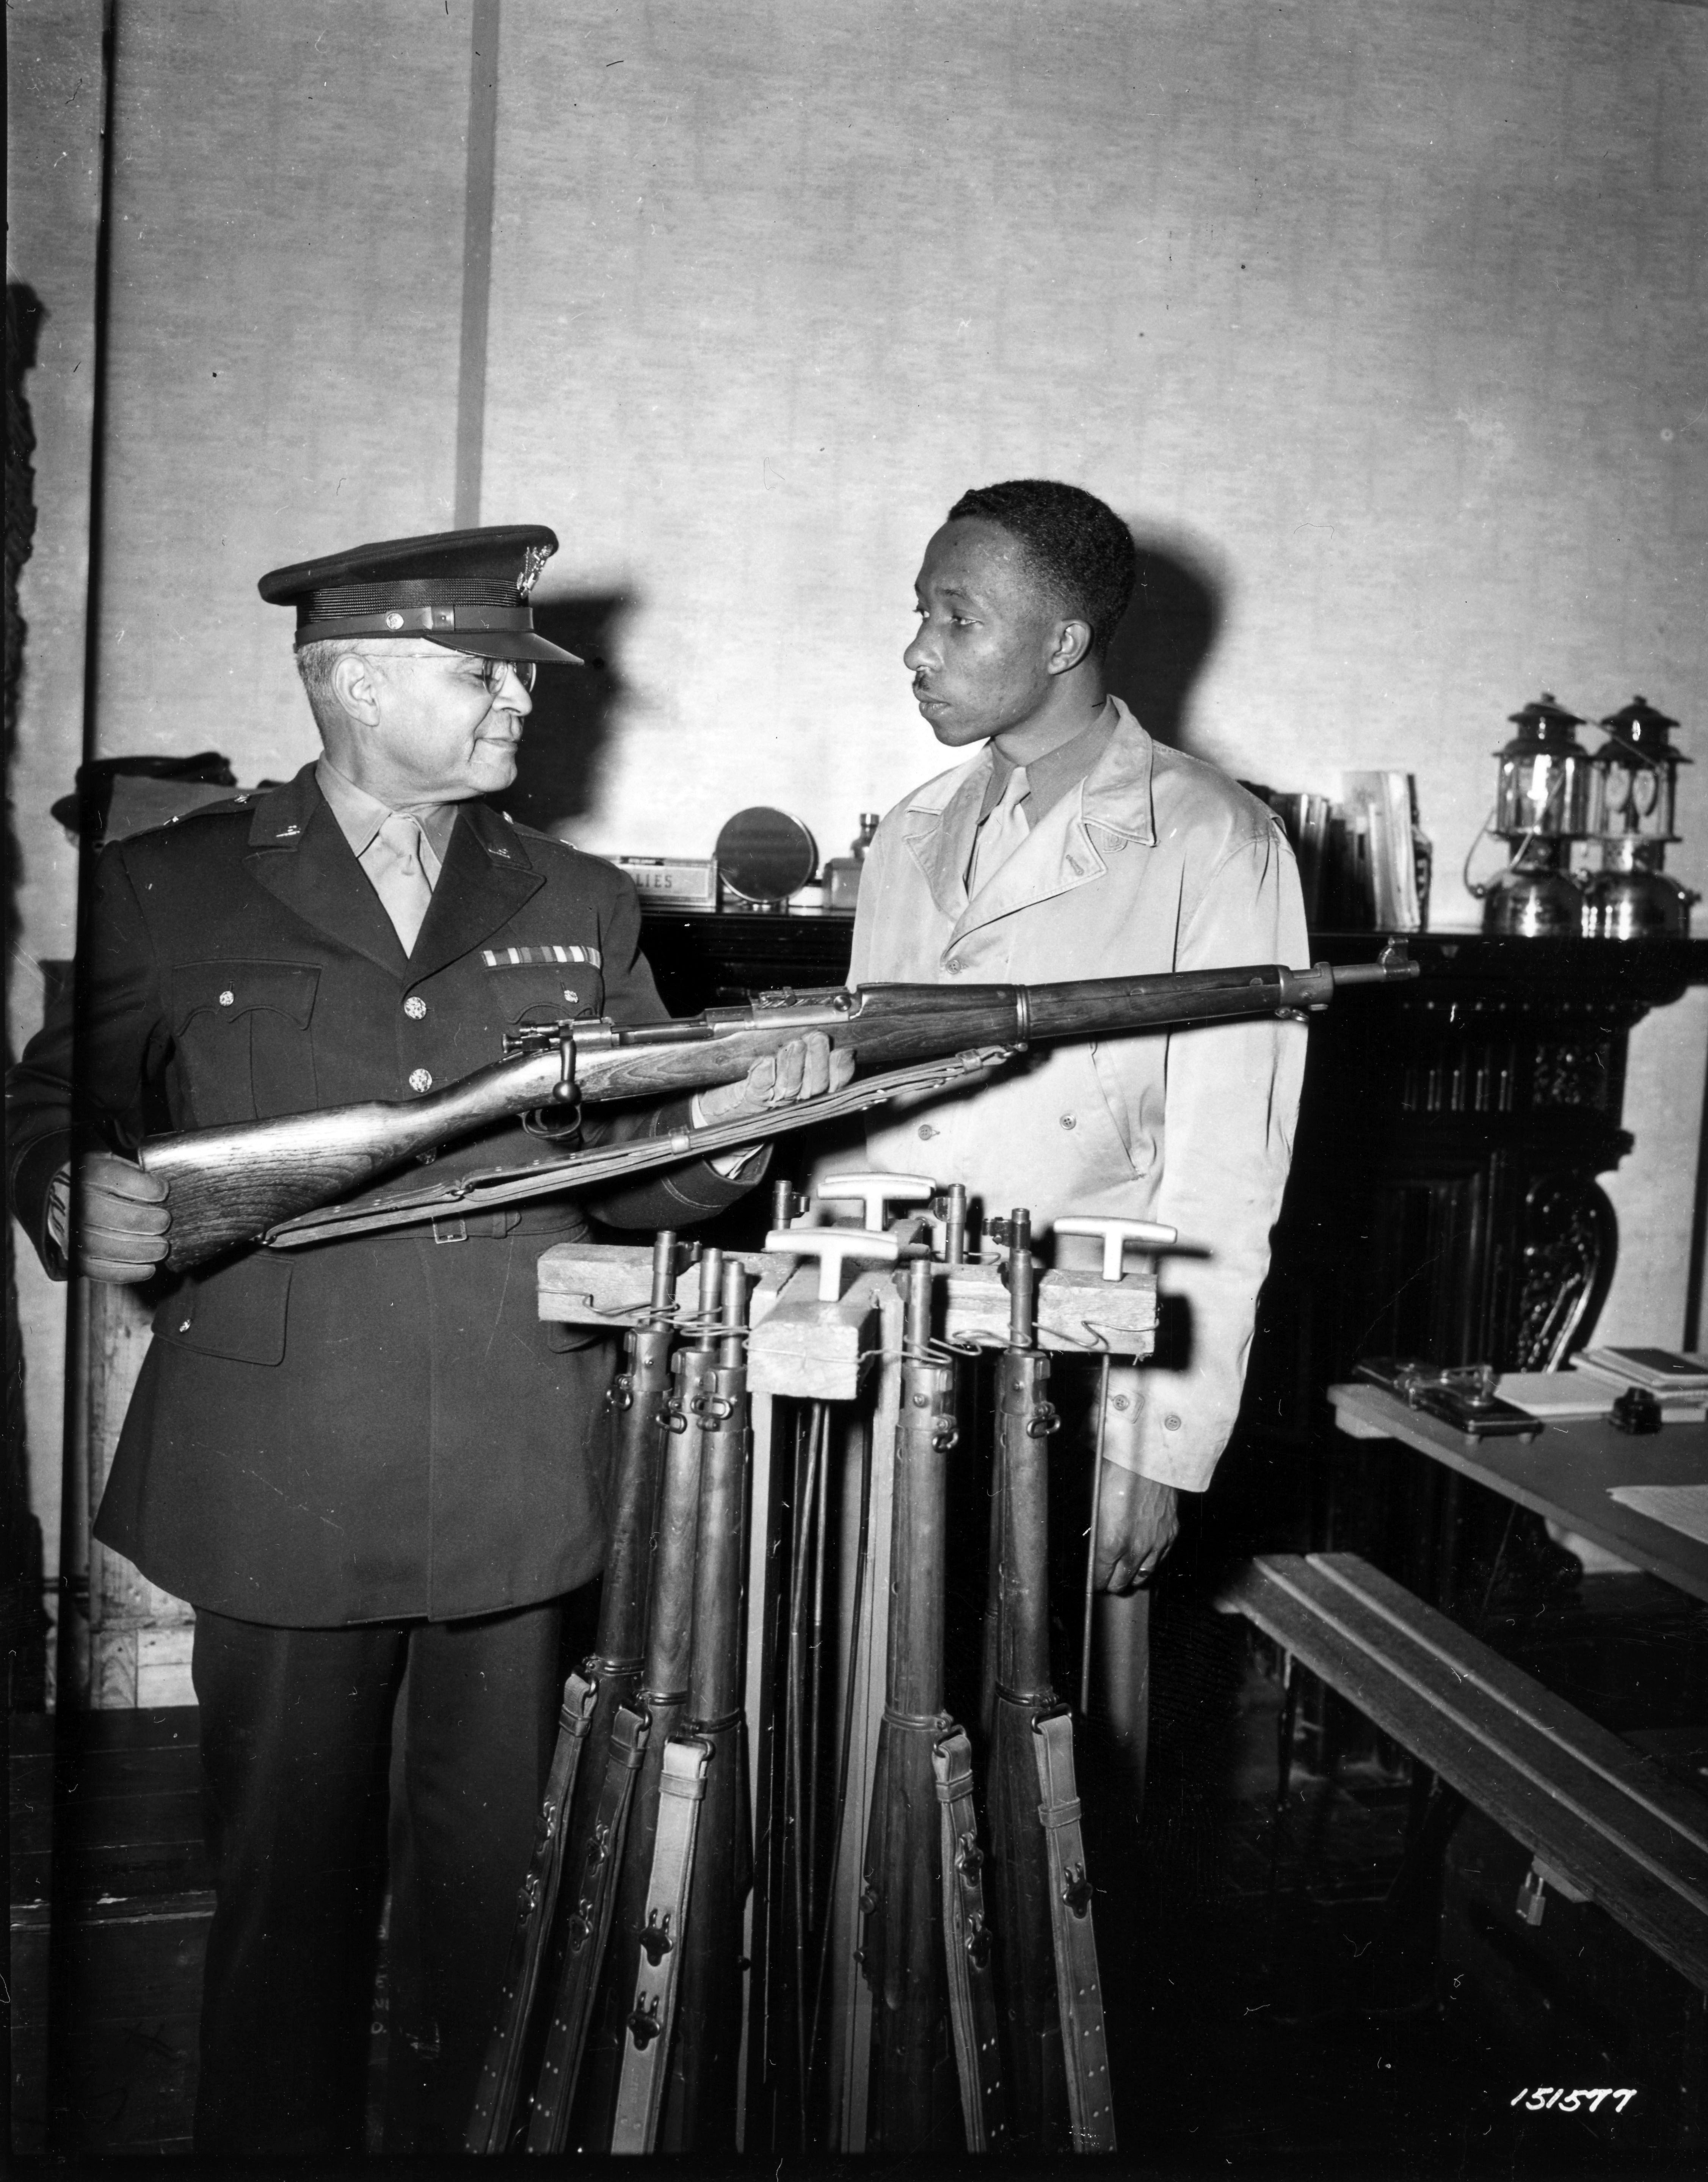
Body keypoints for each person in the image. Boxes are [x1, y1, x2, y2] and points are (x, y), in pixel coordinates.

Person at [5, 524, 846, 2155]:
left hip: (510, 1461)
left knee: (502, 1903)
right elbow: (57, 1100)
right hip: (281, 1465)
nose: (519, 703)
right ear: (353, 680)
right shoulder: (166, 886)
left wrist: (739, 1132)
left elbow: (643, 1174)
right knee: (281, 1899)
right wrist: (64, 1181)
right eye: (485, 673)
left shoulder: (583, 902)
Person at [851, 478, 1307, 1609]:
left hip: (1079, 1380)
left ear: (1063, 639)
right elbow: (859, 1131)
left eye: (957, 618)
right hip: (892, 1364)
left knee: (1047, 1748)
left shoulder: (1214, 838)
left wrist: (1154, 1448)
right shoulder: (909, 835)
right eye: (920, 612)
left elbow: (1222, 1179)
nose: (917, 649)